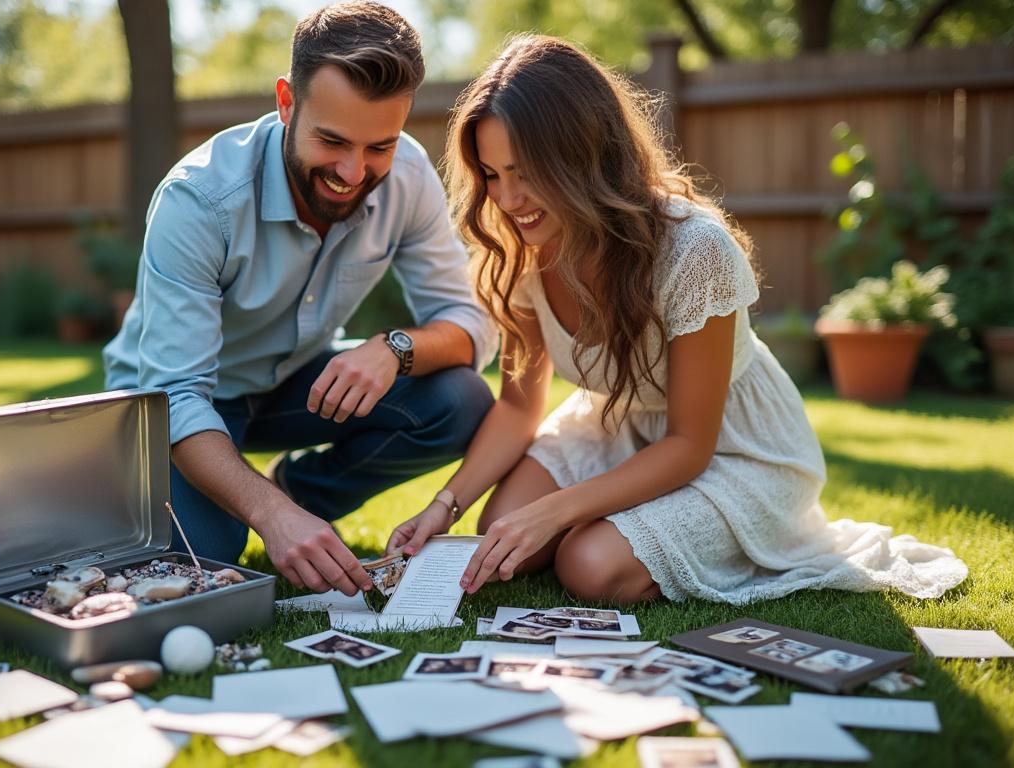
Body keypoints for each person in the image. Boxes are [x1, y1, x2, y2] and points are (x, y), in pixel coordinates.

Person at [387, 36, 967, 605]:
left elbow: (690, 444)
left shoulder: (694, 251)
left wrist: (557, 512)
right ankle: (611, 523)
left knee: (588, 566)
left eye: (525, 171)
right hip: (615, 426)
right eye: (491, 174)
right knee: (501, 530)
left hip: (731, 450)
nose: (508, 199)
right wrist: (443, 506)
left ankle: (652, 537)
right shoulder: (519, 252)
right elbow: (519, 407)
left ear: (583, 154)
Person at [104, 2, 497, 597]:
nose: (352, 172)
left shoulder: (411, 176)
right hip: (177, 403)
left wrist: (394, 348)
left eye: (379, 146)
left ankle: (295, 494)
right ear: (287, 102)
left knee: (459, 400)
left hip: (292, 385)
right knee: (204, 556)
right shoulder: (199, 199)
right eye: (332, 140)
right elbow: (176, 395)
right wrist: (268, 517)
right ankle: (268, 507)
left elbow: (472, 324)